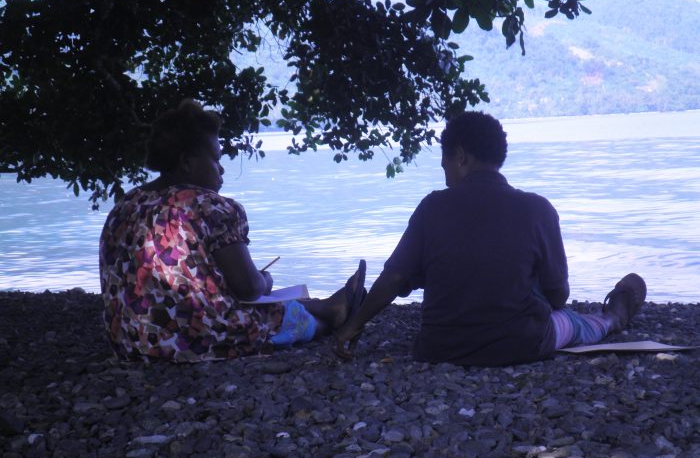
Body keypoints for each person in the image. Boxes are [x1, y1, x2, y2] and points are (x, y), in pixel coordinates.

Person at [334, 111, 646, 366]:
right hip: (521, 346)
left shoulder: (433, 207)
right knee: (575, 323)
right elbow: (558, 297)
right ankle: (614, 318)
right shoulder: (538, 210)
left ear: (460, 157)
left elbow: (395, 277)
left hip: (438, 349)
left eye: (444, 164)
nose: (444, 174)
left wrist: (354, 324)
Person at [99, 99, 366, 362]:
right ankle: (330, 320)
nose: (221, 167)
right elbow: (248, 289)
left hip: (129, 340)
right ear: (188, 163)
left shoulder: (125, 205)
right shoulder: (209, 206)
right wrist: (265, 280)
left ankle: (330, 306)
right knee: (274, 317)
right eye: (215, 158)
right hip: (188, 342)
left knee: (238, 303)